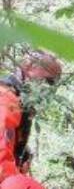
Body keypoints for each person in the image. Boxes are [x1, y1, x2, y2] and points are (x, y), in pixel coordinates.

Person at [0, 51, 63, 179]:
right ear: (28, 68)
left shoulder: (21, 100)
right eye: (47, 80)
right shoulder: (7, 98)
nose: (47, 87)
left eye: (52, 83)